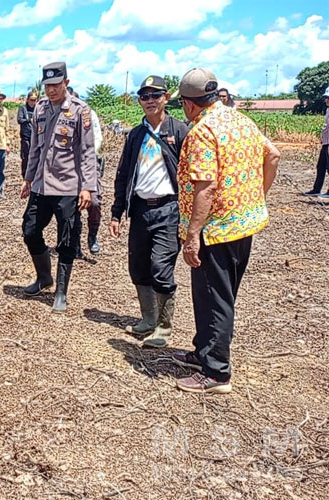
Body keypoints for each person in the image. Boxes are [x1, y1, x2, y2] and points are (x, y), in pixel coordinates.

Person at [172, 68, 280, 394]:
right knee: (221, 295)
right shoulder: (241, 120)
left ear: (190, 104)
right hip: (244, 224)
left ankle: (216, 372)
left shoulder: (202, 132)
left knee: (214, 299)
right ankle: (204, 351)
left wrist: (193, 235)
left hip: (216, 231)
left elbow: (205, 187)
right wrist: (256, 197)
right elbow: (273, 155)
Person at [109, 75, 189, 348]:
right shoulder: (136, 134)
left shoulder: (179, 131)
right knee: (139, 266)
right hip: (141, 210)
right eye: (144, 96)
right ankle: (148, 318)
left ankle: (164, 328)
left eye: (155, 95)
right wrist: (117, 212)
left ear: (166, 97)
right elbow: (123, 174)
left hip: (169, 210)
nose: (150, 101)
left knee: (161, 268)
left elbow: (190, 175)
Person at [21, 62, 97, 313]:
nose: (51, 90)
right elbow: (35, 147)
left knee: (66, 239)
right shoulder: (40, 108)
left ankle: (61, 291)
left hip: (68, 186)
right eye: (47, 86)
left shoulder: (80, 110)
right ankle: (44, 277)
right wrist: (28, 178)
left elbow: (87, 152)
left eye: (55, 85)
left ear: (66, 82)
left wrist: (87, 187)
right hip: (41, 185)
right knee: (30, 230)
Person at [69, 87, 104, 257]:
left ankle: (92, 236)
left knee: (94, 202)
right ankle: (75, 243)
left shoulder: (89, 114)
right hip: (69, 166)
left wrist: (86, 155)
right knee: (72, 206)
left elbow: (97, 138)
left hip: (89, 163)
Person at [303, 86, 329, 196]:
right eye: (326, 98)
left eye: (328, 98)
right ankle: (316, 189)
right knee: (321, 166)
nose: (326, 100)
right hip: (326, 142)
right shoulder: (328, 110)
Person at [17, 91, 37, 178]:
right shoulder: (23, 108)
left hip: (35, 136)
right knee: (25, 156)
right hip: (25, 136)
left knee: (35, 156)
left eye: (35, 100)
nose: (33, 102)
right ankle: (25, 176)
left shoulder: (37, 109)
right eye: (31, 100)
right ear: (27, 99)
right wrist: (29, 120)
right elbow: (19, 120)